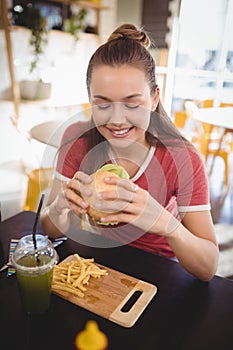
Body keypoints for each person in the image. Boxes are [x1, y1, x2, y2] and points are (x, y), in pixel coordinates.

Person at [40, 24, 219, 281]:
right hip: (99, 261)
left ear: (155, 98)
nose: (117, 120)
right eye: (102, 104)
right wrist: (59, 210)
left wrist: (167, 225)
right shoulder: (76, 141)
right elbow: (50, 230)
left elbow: (208, 267)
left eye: (132, 104)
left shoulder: (182, 158)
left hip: (161, 269)